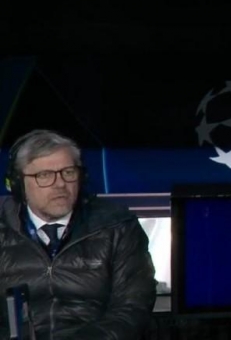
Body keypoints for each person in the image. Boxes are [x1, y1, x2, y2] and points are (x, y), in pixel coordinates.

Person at [0, 129, 157, 339]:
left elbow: (132, 310)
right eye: (44, 175)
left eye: (68, 172)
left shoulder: (117, 227)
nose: (60, 184)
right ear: (18, 185)